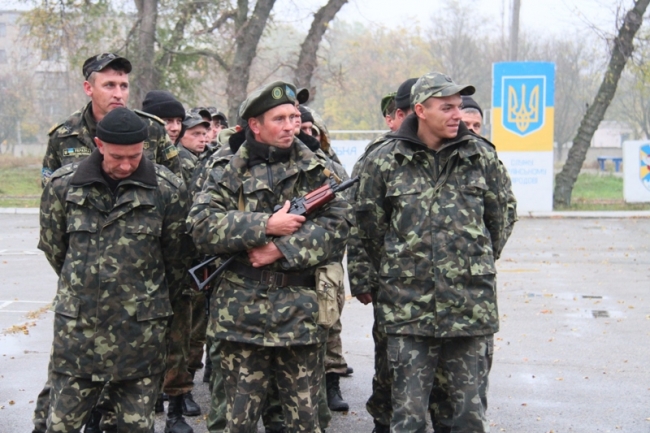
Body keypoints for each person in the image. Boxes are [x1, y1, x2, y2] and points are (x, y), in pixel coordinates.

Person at [187, 80, 352, 433]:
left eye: (293, 117)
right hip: (240, 318)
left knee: (304, 423)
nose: (290, 126)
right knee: (236, 421)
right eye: (279, 119)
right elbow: (200, 225)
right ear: (255, 125)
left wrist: (281, 248)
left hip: (300, 316)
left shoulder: (318, 168)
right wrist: (266, 225)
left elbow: (340, 225)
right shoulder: (225, 168)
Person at [355, 72, 513, 433]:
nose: (458, 114)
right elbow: (369, 228)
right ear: (421, 110)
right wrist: (403, 268)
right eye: (447, 108)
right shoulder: (385, 160)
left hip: (469, 308)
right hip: (408, 308)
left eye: (459, 106)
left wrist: (470, 264)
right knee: (408, 418)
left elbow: (501, 217)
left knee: (467, 418)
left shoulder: (481, 156)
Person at [37, 107, 193, 433]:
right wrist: (88, 285)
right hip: (79, 337)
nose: (125, 165)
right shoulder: (63, 187)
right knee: (61, 425)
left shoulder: (167, 190)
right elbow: (57, 251)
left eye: (134, 157)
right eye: (117, 157)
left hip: (140, 341)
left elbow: (176, 264)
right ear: (99, 145)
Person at [346, 78, 418, 433]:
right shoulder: (378, 156)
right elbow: (361, 222)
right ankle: (384, 418)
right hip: (390, 279)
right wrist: (363, 276)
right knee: (389, 354)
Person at [141, 89, 197, 433]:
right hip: (140, 266)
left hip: (179, 264)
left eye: (178, 120)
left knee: (179, 338)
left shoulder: (189, 162)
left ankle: (175, 408)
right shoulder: (133, 158)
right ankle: (146, 404)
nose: (173, 127)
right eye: (166, 120)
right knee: (140, 344)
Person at [41, 52, 181, 187]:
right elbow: (50, 189)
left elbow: (175, 186)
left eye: (124, 86)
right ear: (89, 88)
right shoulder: (64, 134)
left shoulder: (152, 129)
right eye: (109, 85)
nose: (118, 94)